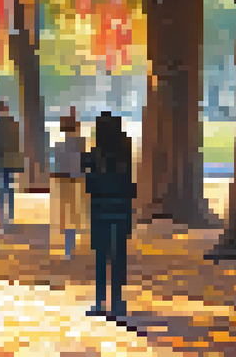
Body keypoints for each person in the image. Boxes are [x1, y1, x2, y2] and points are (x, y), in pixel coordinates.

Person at [83, 111, 135, 319]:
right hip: (121, 208)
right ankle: (117, 301)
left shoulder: (96, 154)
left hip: (100, 208)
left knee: (101, 257)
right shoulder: (125, 150)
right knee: (118, 257)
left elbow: (90, 181)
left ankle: (100, 301)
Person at [51, 108, 88, 259]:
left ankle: (68, 248)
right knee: (74, 214)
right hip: (77, 181)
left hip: (63, 182)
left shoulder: (59, 146)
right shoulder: (80, 143)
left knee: (66, 215)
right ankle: (71, 246)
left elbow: (55, 167)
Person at [0, 98, 23, 234]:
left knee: (0, 190)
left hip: (0, 161)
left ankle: (1, 219)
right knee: (9, 189)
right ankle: (10, 217)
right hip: (11, 160)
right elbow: (18, 143)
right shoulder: (15, 124)